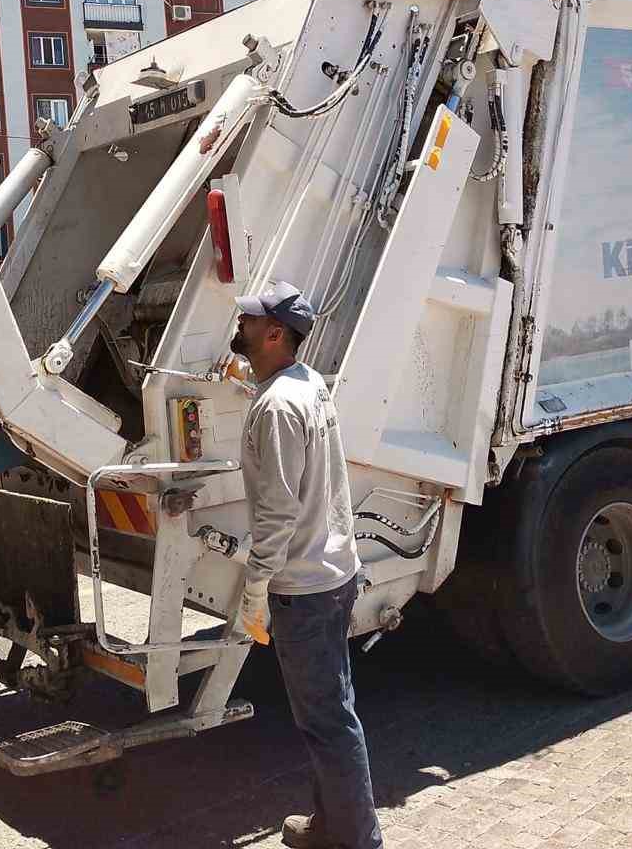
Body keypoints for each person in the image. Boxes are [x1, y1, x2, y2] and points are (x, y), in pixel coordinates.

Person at [229, 281, 383, 849]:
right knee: (325, 715)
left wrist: (256, 589)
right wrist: (248, 385)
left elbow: (277, 513)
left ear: (274, 334)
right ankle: (330, 827)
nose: (239, 328)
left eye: (249, 323)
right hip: (334, 573)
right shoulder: (307, 384)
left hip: (302, 587)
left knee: (329, 721)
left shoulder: (276, 407)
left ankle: (359, 841)